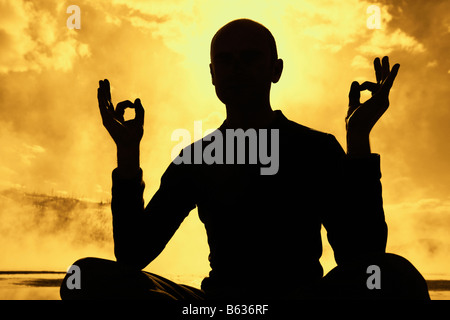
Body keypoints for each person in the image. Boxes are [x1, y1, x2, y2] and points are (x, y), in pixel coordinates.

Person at [60, 19, 429, 300]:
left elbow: (362, 255)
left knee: (394, 274)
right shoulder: (197, 159)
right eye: (225, 61)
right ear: (213, 75)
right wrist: (127, 153)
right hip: (219, 307)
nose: (236, 69)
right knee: (83, 277)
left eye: (249, 58)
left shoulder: (315, 148)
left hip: (304, 305)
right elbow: (133, 254)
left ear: (276, 69)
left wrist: (359, 138)